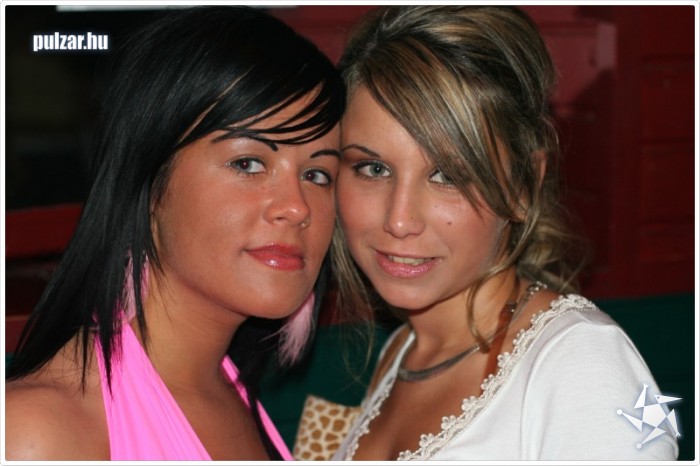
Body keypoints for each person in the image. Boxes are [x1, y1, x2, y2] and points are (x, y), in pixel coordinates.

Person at [329, 5, 678, 461]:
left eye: (448, 175)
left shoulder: (583, 359)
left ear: (522, 186)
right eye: (374, 168)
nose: (399, 220)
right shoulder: (400, 352)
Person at [5, 6, 344, 461]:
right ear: (149, 185)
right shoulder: (37, 431)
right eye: (248, 163)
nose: (297, 207)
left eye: (318, 175)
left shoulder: (226, 388)